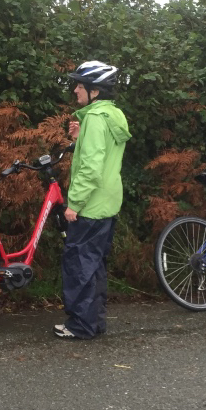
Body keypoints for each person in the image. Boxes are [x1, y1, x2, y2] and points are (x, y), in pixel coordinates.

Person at [54, 60, 131, 340]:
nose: (75, 90)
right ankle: (94, 322)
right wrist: (78, 137)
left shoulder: (96, 120)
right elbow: (102, 152)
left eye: (80, 85)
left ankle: (80, 326)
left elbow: (91, 167)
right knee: (95, 264)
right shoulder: (109, 116)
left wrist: (74, 203)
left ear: (95, 91)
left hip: (91, 204)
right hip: (107, 202)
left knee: (80, 264)